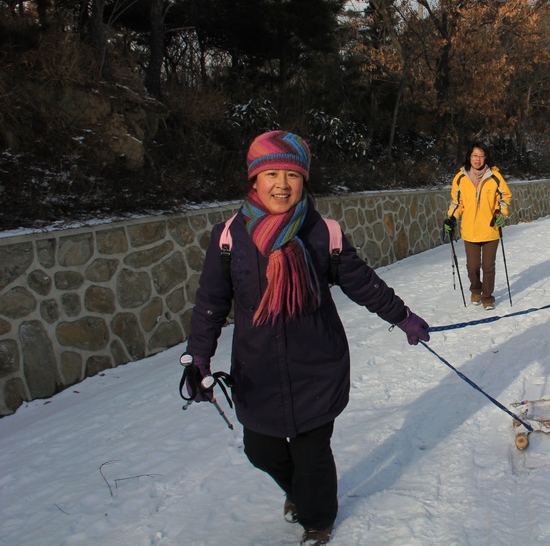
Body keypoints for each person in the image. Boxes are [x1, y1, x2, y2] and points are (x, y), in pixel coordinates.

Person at [183, 130, 430, 545]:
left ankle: (317, 521)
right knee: (261, 450)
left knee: (311, 453)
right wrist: (198, 357)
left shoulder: (321, 232)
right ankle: (298, 492)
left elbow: (361, 283)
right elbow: (211, 301)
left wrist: (402, 316)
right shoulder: (228, 237)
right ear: (254, 180)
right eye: (272, 173)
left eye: (292, 175)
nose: (282, 184)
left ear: (305, 180)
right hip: (257, 370)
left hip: (317, 365)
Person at [443, 143, 512, 311]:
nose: (477, 159)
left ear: (486, 158)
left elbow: (504, 196)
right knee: (472, 266)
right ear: (469, 157)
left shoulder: (495, 176)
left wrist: (500, 213)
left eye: (481, 156)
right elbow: (457, 202)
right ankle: (475, 290)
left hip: (491, 229)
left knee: (488, 266)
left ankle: (487, 297)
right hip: (470, 230)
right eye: (475, 155)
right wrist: (450, 218)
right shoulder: (460, 178)